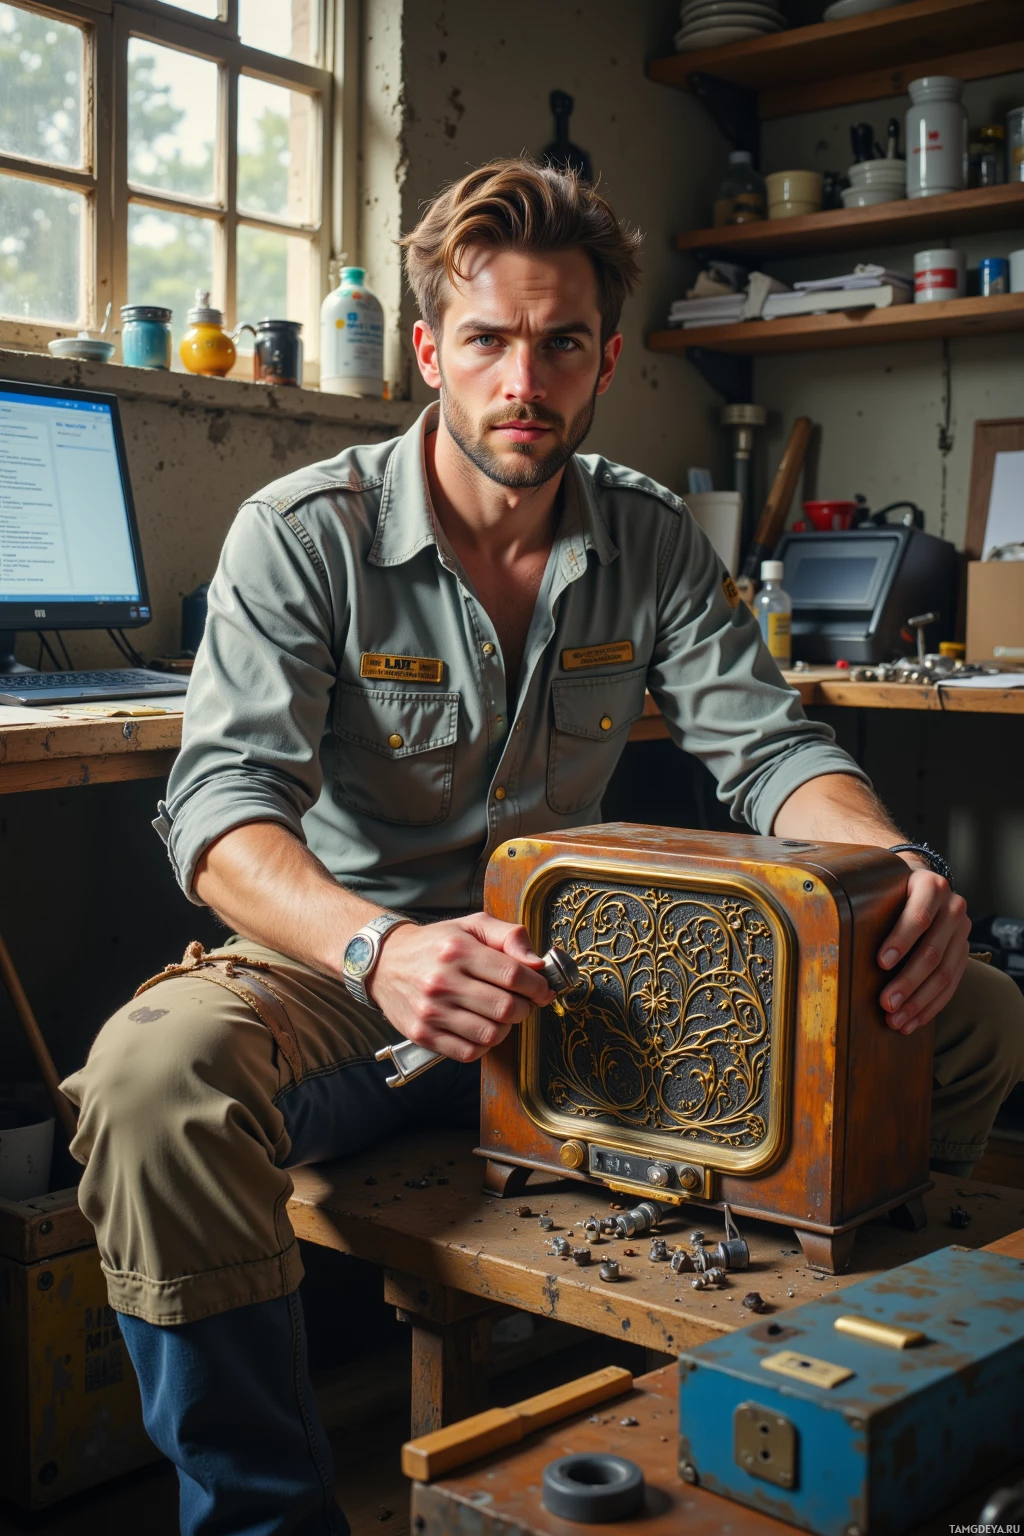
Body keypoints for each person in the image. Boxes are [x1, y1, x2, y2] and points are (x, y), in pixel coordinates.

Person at [62, 159, 1024, 1536]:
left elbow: (772, 752)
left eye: (561, 343)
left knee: (972, 1011)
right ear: (428, 354)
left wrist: (894, 874)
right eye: (489, 340)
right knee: (147, 1083)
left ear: (606, 359)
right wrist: (377, 948)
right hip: (339, 981)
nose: (526, 378)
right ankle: (266, 1521)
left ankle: (818, 1425)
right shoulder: (302, 534)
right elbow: (219, 816)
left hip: (574, 995)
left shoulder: (648, 539)